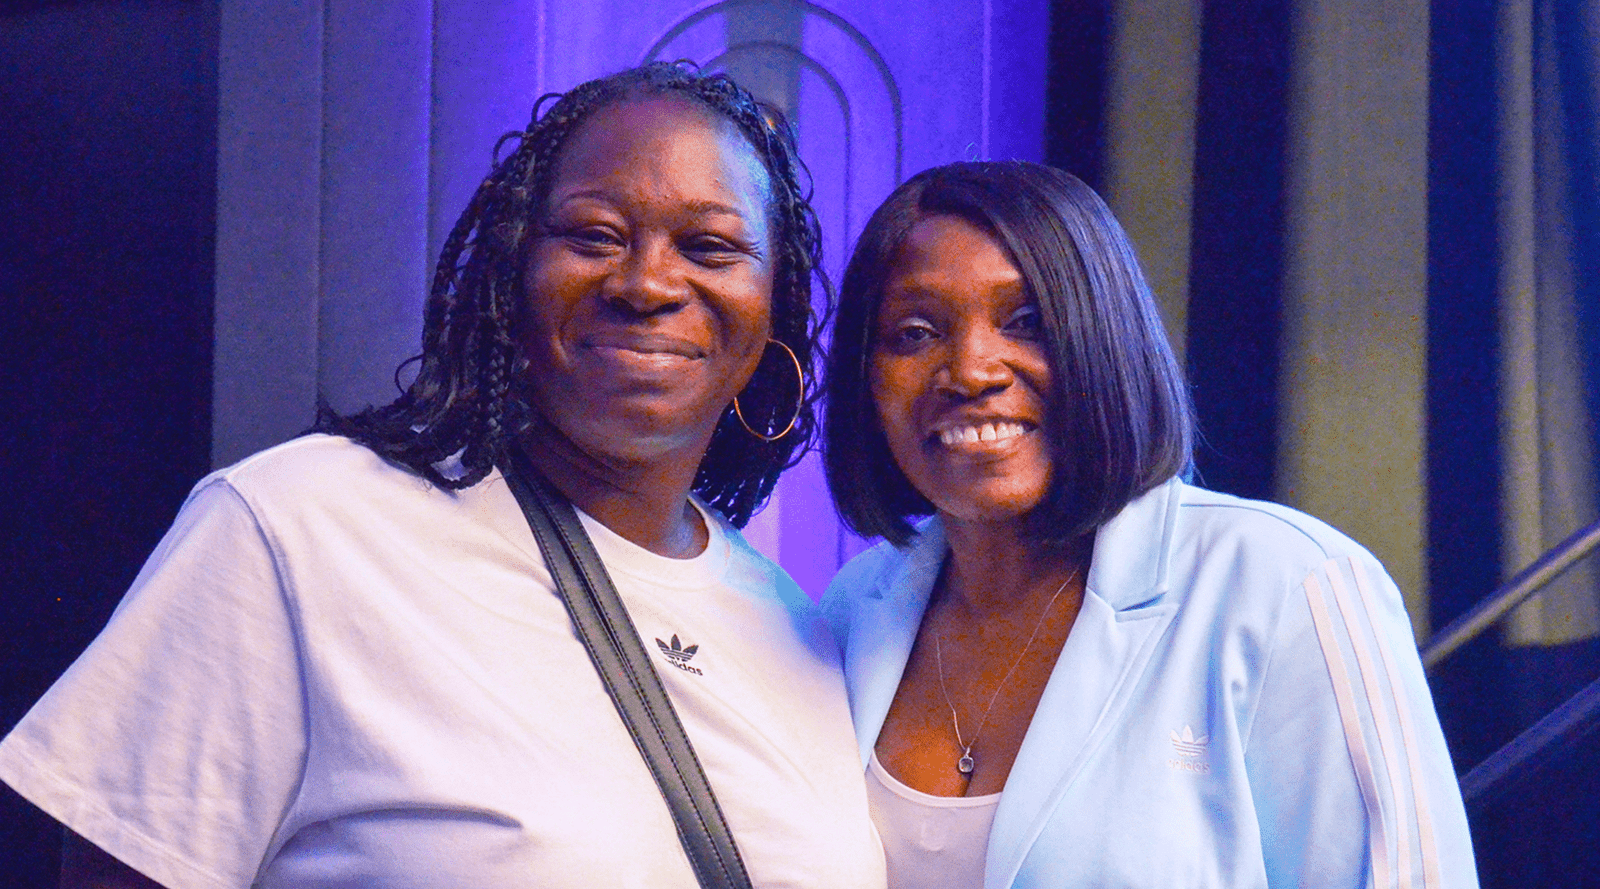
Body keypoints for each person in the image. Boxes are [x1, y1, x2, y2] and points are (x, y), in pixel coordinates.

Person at [0, 63, 886, 889]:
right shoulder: (301, 528)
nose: (647, 282)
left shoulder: (795, 627)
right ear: (512, 274)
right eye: (594, 235)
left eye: (711, 246)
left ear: (776, 308)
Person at [820, 161, 1478, 888]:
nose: (972, 370)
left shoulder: (1287, 585)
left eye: (1027, 321)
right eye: (915, 333)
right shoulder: (850, 613)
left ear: (1106, 340)